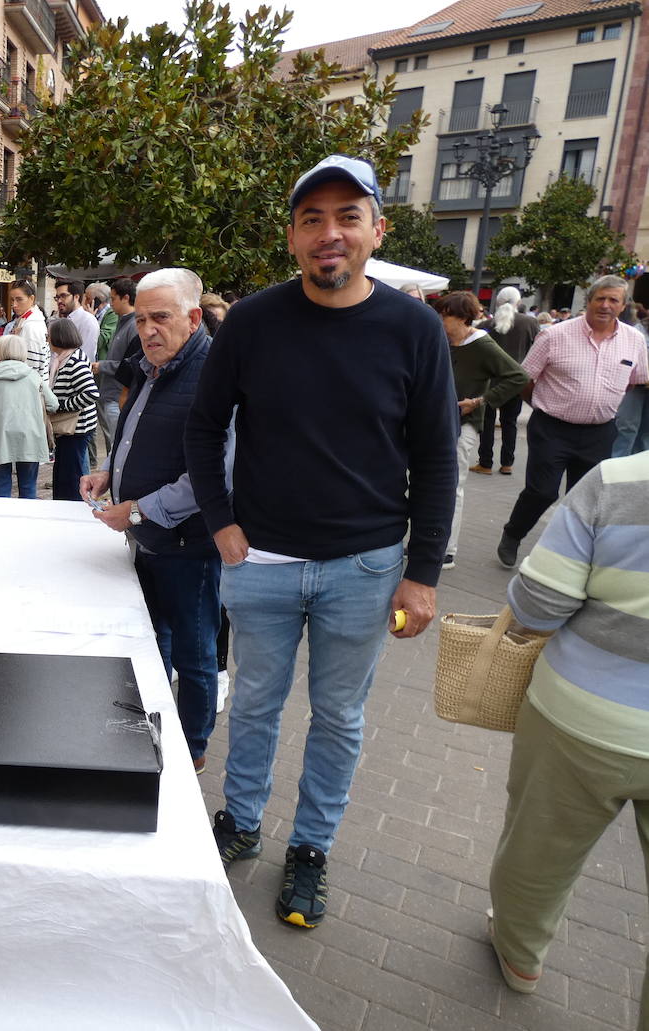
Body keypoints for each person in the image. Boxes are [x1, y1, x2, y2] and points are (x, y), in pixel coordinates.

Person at [185, 154, 457, 929]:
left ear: (378, 228)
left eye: (347, 216)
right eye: (312, 219)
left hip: (364, 569)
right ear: (294, 235)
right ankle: (239, 821)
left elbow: (438, 456)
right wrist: (220, 520)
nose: (328, 234)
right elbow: (205, 431)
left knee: (339, 717)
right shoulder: (253, 324)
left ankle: (311, 847)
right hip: (260, 563)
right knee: (258, 705)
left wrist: (423, 572)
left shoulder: (413, 331)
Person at [487, 451, 649, 1017]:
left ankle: (520, 957)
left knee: (538, 853)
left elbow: (540, 605)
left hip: (583, 717)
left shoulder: (616, 482)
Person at [80, 267, 227, 779]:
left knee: (193, 650)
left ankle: (192, 749)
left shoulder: (214, 374)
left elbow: (214, 475)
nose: (147, 329)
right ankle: (149, 729)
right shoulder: (151, 367)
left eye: (160, 318)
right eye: (141, 319)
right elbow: (134, 437)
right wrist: (107, 474)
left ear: (192, 317)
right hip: (145, 539)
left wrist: (138, 508)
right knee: (152, 640)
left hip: (189, 546)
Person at [497, 275, 649, 568]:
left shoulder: (634, 341)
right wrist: (543, 405)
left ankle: (565, 556)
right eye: (600, 298)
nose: (605, 305)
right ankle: (513, 533)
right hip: (552, 427)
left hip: (600, 432)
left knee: (585, 500)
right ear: (589, 300)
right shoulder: (554, 335)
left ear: (623, 305)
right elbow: (524, 378)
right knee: (542, 491)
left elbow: (634, 382)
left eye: (613, 300)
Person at [435, 291, 528, 569]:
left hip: (463, 425)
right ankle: (427, 541)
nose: (440, 319)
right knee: (428, 485)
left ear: (463, 317)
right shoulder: (444, 341)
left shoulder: (481, 344)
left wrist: (480, 401)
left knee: (452, 486)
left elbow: (518, 376)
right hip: (437, 423)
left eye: (445, 314)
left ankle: (446, 549)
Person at [0, 334, 57, 499]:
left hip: (0, 439)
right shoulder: (33, 376)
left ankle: (3, 522)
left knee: (2, 489)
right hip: (31, 437)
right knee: (28, 489)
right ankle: (27, 522)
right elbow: (53, 404)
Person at [472, 285, 540, 475]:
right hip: (517, 383)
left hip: (489, 382)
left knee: (487, 423)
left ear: (498, 302)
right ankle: (507, 463)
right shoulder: (530, 324)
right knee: (510, 423)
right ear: (519, 302)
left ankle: (485, 463)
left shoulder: (486, 326)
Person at [47, 319, 99, 501]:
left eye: (50, 335)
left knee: (71, 476)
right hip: (72, 428)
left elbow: (91, 393)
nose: (47, 338)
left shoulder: (74, 361)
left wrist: (62, 406)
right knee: (65, 473)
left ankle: (73, 507)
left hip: (77, 427)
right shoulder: (65, 358)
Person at [91, 277, 141, 453]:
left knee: (118, 448)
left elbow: (134, 363)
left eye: (113, 299)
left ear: (125, 298)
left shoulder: (134, 325)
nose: (110, 304)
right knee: (114, 447)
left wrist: (103, 366)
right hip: (111, 395)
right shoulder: (123, 322)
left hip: (119, 397)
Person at [5, 281, 51, 376]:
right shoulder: (28, 320)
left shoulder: (31, 326)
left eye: (19, 299)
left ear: (31, 298)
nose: (14, 305)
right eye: (12, 300)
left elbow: (31, 368)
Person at [55, 278, 99, 361]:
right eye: (57, 297)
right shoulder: (59, 319)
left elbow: (86, 356)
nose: (59, 301)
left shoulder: (87, 321)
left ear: (76, 297)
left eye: (63, 296)